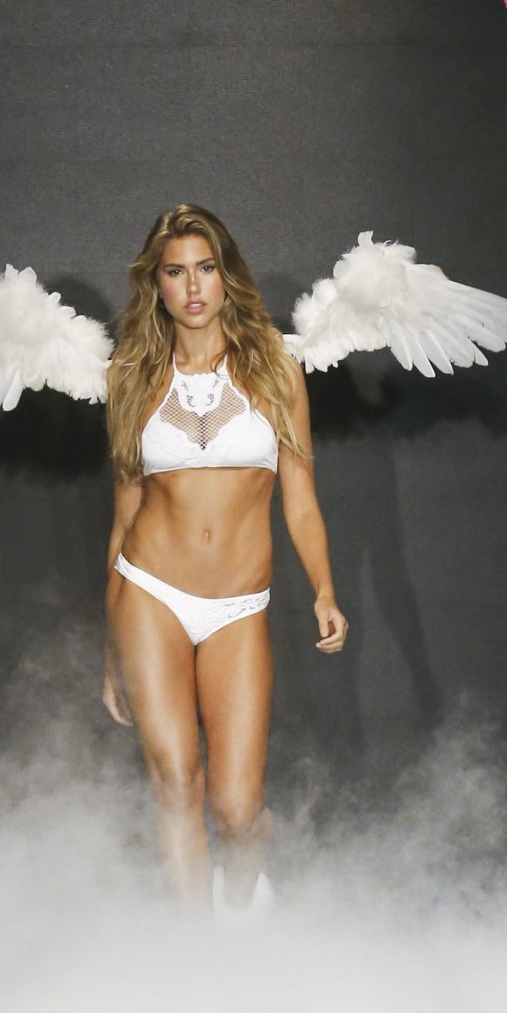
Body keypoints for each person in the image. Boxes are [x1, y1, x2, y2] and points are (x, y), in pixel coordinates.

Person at [102, 203, 348, 912]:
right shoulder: (130, 377)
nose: (192, 286)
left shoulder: (275, 368)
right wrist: (108, 649)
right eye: (175, 272)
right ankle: (196, 957)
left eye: (205, 268)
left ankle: (242, 904)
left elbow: (300, 498)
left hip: (238, 605)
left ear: (225, 274)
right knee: (176, 780)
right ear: (156, 284)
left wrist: (324, 590)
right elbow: (124, 517)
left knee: (237, 810)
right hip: (149, 592)